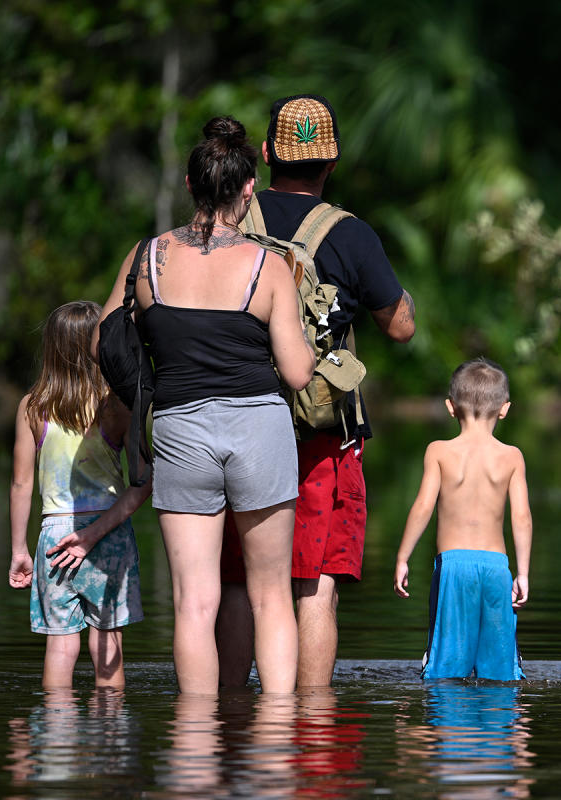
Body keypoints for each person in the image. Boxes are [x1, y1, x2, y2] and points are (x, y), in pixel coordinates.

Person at [96, 116, 314, 694]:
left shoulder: (147, 259)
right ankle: (273, 738)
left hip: (179, 428)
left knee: (194, 602)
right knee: (271, 597)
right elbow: (295, 372)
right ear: (249, 190)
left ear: (190, 184)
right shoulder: (268, 266)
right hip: (258, 431)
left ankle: (194, 745)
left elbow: (102, 340)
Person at [216, 94, 416, 688]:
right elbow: (400, 327)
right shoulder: (350, 235)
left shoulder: (227, 225)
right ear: (332, 163)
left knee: (233, 580)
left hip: (236, 422)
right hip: (319, 434)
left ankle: (223, 721)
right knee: (315, 586)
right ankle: (310, 726)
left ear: (270, 155)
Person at [8, 300, 150, 690]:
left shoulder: (32, 407)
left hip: (55, 536)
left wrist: (19, 549)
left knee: (60, 647)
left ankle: (57, 737)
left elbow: (21, 484)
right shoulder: (116, 405)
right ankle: (110, 738)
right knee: (107, 644)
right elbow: (143, 480)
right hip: (109, 533)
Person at [392, 358, 532, 681]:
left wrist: (402, 557)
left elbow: (423, 507)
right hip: (497, 567)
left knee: (445, 668)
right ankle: (505, 730)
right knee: (501, 674)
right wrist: (522, 573)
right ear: (505, 409)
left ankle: (450, 728)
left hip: (453, 567)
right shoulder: (512, 457)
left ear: (450, 407)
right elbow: (522, 518)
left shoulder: (439, 452)